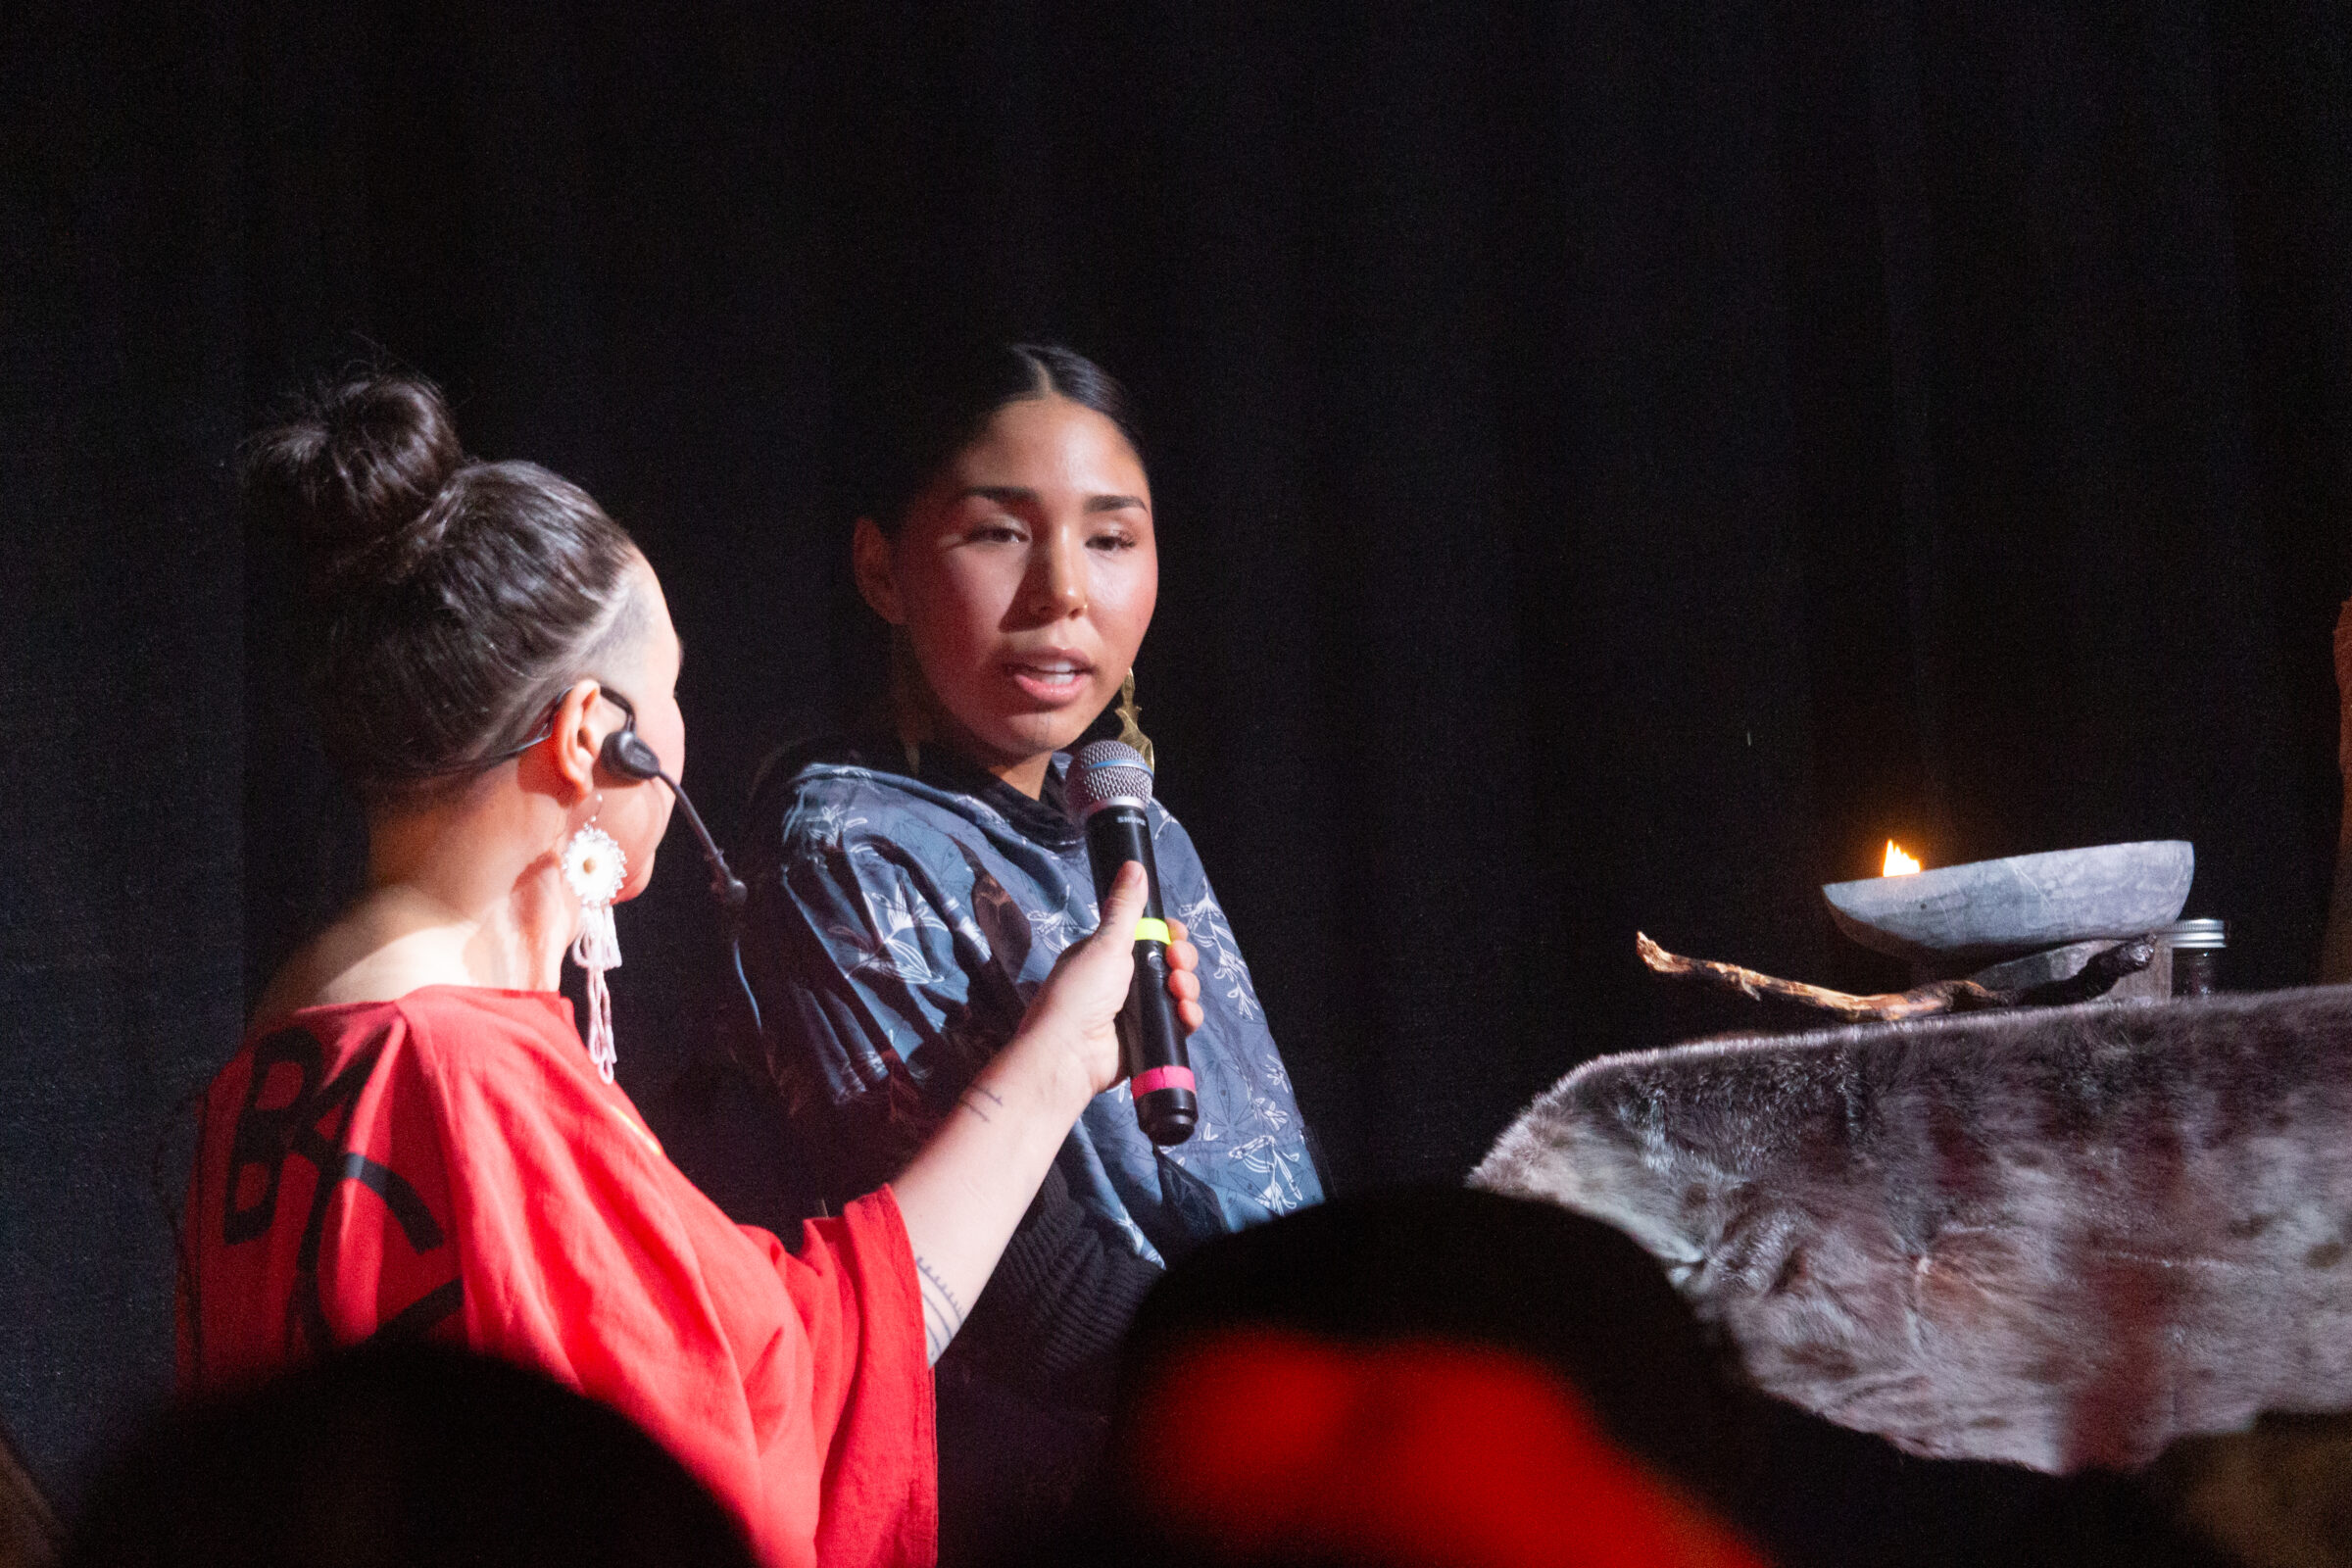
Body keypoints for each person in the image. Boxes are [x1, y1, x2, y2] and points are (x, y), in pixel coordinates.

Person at [179, 373, 1201, 1568]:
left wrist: (1069, 1047)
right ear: (587, 739)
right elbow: (767, 1389)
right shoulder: (458, 1079)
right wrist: (1050, 1066)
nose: (681, 735)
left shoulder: (288, 1052)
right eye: (667, 694)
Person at [733, 344, 1323, 1553]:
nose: (1064, 592)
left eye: (1112, 540)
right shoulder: (845, 855)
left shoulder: (1129, 822)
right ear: (881, 567)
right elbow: (1040, 1308)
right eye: (1001, 534)